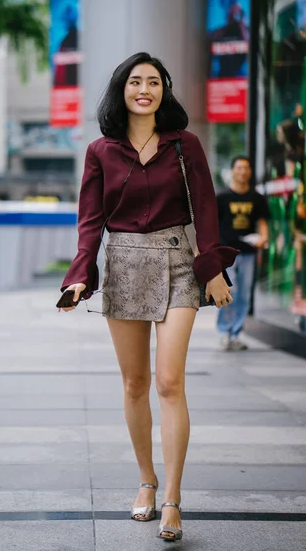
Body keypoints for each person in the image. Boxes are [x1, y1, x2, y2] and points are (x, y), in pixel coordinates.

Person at [58, 52, 238, 542]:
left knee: (169, 381)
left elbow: (205, 209)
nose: (144, 89)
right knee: (135, 383)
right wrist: (80, 275)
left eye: (153, 82)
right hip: (125, 263)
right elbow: (90, 220)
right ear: (121, 90)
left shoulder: (185, 145)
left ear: (164, 89)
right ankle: (146, 482)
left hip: (180, 261)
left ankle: (174, 499)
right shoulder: (100, 151)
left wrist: (213, 270)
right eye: (135, 82)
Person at [217, 156, 269, 350]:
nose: (243, 172)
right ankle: (224, 332)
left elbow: (263, 222)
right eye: (239, 168)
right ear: (232, 171)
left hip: (248, 252)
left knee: (245, 295)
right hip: (226, 252)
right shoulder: (221, 197)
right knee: (230, 291)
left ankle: (236, 334)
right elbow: (212, 225)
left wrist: (263, 238)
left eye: (246, 168)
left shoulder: (257, 198)